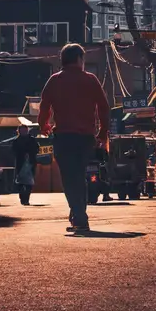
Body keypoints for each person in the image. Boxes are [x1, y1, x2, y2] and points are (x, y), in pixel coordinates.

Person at [39, 43, 110, 233]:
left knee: (70, 177)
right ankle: (78, 215)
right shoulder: (90, 80)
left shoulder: (54, 80)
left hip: (63, 137)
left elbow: (44, 105)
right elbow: (104, 107)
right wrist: (103, 132)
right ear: (79, 59)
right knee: (79, 175)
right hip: (86, 137)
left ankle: (79, 216)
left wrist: (43, 125)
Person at [11, 124, 39, 205]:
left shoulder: (32, 140)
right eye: (22, 130)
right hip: (20, 163)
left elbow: (37, 149)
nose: (23, 132)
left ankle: (26, 198)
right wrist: (22, 154)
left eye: (25, 130)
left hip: (31, 163)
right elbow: (13, 151)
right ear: (19, 131)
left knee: (29, 183)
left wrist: (30, 154)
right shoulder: (16, 141)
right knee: (21, 182)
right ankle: (22, 198)